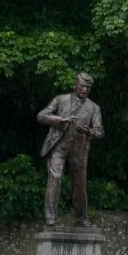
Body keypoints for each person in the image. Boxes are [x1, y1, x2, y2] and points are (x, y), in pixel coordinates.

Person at [38, 73, 104, 227]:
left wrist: (88, 131)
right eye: (82, 85)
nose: (84, 89)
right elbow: (41, 116)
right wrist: (60, 120)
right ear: (75, 85)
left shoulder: (93, 108)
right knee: (54, 178)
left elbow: (100, 131)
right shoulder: (61, 100)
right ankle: (50, 216)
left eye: (88, 87)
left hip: (79, 149)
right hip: (59, 146)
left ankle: (81, 218)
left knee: (79, 184)